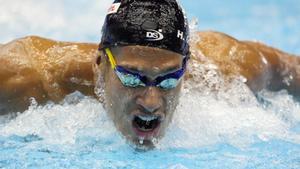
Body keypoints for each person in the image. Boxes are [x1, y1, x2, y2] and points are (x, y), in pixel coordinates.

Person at [0, 0, 299, 148]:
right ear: (99, 64)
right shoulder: (31, 76)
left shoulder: (227, 69)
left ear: (188, 66)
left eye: (169, 79)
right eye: (132, 77)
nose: (152, 101)